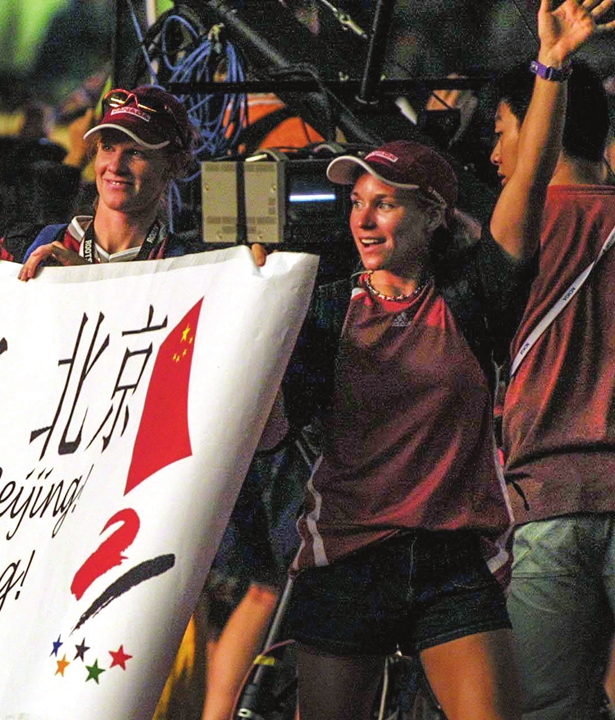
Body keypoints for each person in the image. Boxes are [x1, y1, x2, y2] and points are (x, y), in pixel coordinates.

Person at [267, 3, 608, 718]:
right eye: (357, 201)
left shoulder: (473, 296)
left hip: (453, 565)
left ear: (434, 216)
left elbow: (529, 180)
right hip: (347, 560)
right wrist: (249, 313)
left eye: (386, 203)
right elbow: (268, 431)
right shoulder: (325, 308)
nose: (362, 218)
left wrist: (550, 67)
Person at [490, 42, 615, 720]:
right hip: (552, 501)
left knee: (549, 710)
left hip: (546, 500)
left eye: (502, 131)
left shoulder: (519, 229)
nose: (493, 155)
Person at [0, 85, 196, 277]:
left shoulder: (190, 270)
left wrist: (89, 282)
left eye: (135, 152)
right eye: (107, 148)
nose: (115, 166)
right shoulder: (23, 246)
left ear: (174, 164)